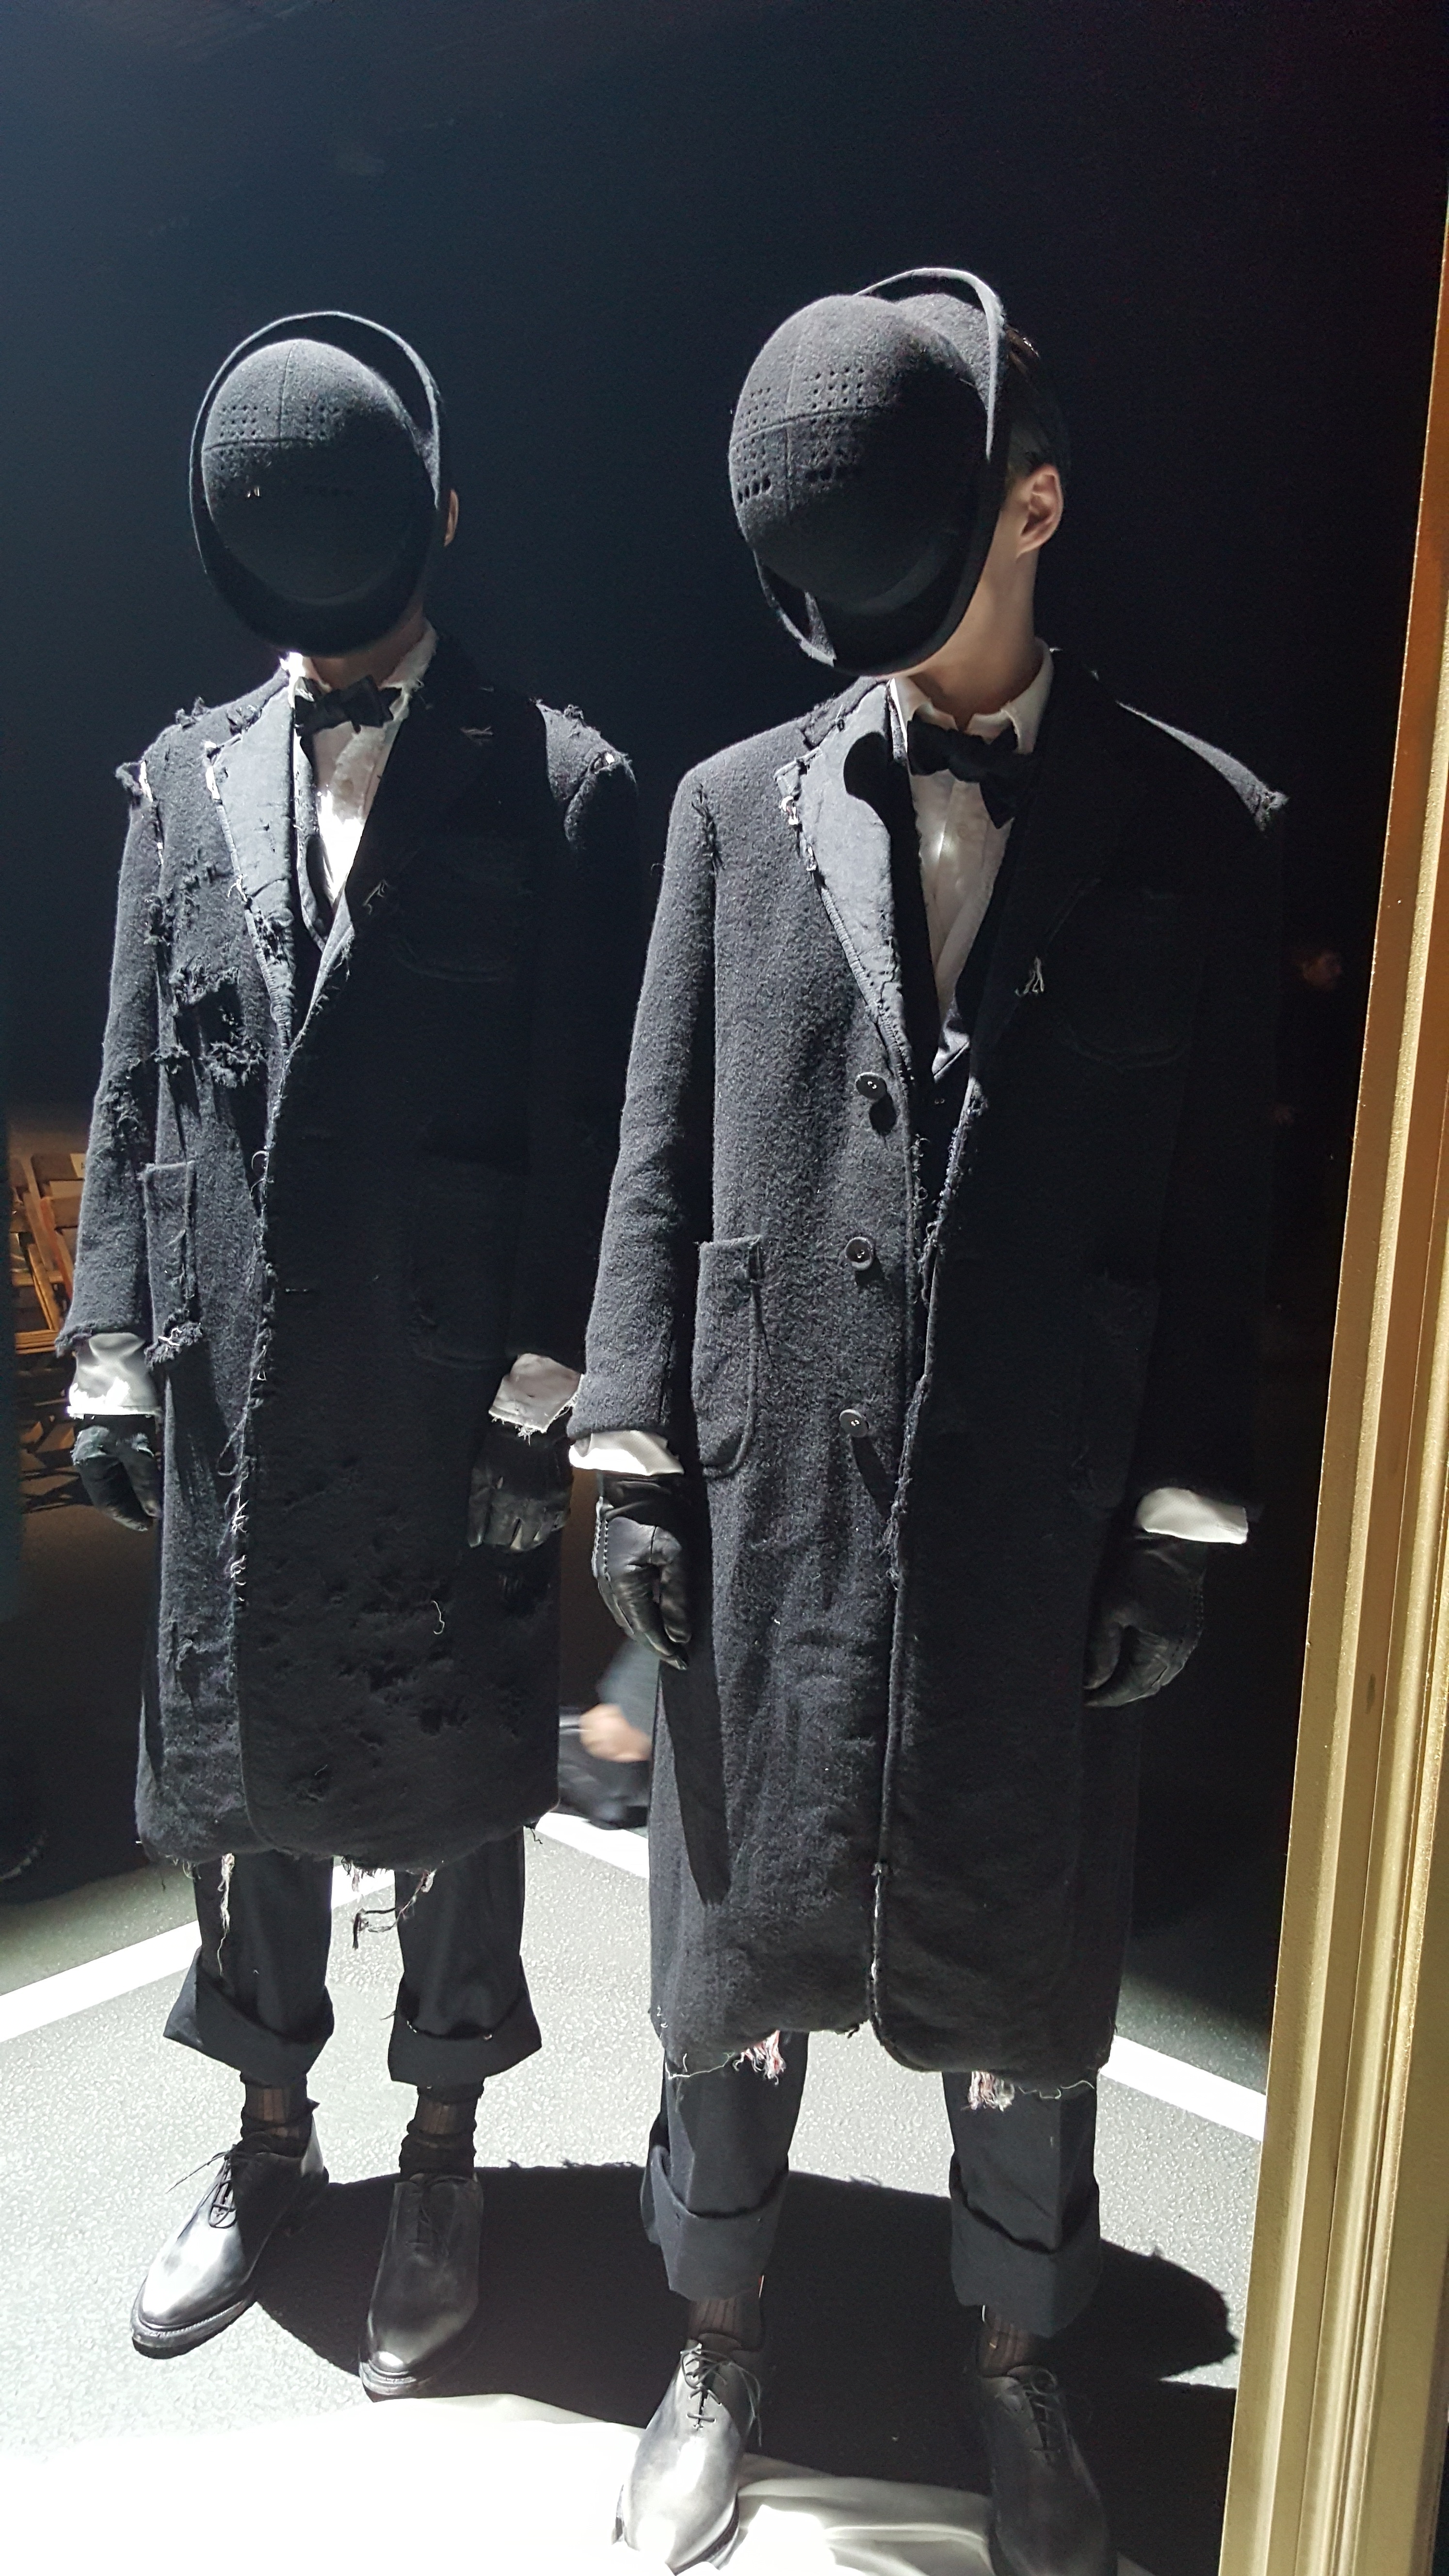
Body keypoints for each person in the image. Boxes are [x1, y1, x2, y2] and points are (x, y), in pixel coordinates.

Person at [571, 269, 1281, 2574]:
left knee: (1024, 1972)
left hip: (1029, 1515)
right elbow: (659, 1150)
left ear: (1035, 506)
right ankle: (715, 2337)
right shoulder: (727, 809)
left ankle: (1014, 2352)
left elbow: (1216, 1208)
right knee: (726, 1966)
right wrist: (630, 1452)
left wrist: (1175, 1512)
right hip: (772, 1489)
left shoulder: (1195, 829)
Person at [62, 313, 640, 2393]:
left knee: (460, 1792)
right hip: (237, 1384)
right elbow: (137, 1083)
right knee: (253, 1786)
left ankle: (447, 2148)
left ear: (442, 517)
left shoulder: (558, 783)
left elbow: (593, 1118)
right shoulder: (181, 778)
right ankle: (268, 2131)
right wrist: (109, 1345)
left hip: (448, 1398)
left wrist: (547, 1394)